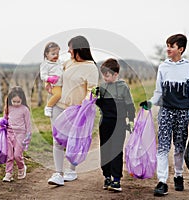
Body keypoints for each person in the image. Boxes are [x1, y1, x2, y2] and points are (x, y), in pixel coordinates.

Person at [140, 34, 189, 196]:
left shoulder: (188, 67)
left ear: (181, 49)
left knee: (179, 147)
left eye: (172, 46)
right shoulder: (163, 67)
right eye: (167, 45)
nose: (168, 49)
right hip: (165, 111)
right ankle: (162, 181)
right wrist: (150, 103)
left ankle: (178, 175)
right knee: (163, 146)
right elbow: (158, 92)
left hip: (183, 112)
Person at [47, 35, 99, 186]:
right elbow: (58, 79)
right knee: (57, 139)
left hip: (77, 110)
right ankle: (58, 173)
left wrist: (85, 106)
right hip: (59, 106)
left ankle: (71, 170)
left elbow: (93, 90)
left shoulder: (91, 68)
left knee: (73, 140)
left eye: (70, 48)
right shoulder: (68, 63)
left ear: (78, 49)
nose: (68, 51)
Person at [93, 58, 135, 192]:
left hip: (119, 124)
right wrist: (95, 97)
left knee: (116, 150)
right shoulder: (102, 87)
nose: (105, 78)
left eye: (107, 75)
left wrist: (131, 120)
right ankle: (107, 176)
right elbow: (99, 105)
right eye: (103, 75)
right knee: (105, 149)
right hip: (105, 123)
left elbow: (129, 105)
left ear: (116, 74)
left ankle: (116, 179)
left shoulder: (123, 87)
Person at [2, 86, 32, 182]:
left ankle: (21, 167)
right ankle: (8, 173)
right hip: (9, 133)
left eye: (18, 102)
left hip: (20, 135)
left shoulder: (25, 110)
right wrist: (2, 125)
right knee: (9, 155)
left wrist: (28, 136)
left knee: (17, 155)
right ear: (10, 100)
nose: (15, 104)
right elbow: (5, 120)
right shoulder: (8, 108)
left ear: (22, 100)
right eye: (13, 101)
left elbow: (28, 124)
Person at [40, 42, 63, 117]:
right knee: (58, 94)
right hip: (54, 85)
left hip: (61, 83)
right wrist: (49, 79)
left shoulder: (59, 62)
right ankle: (48, 106)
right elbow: (43, 76)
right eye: (53, 54)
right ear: (47, 54)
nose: (56, 56)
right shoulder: (45, 64)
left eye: (57, 54)